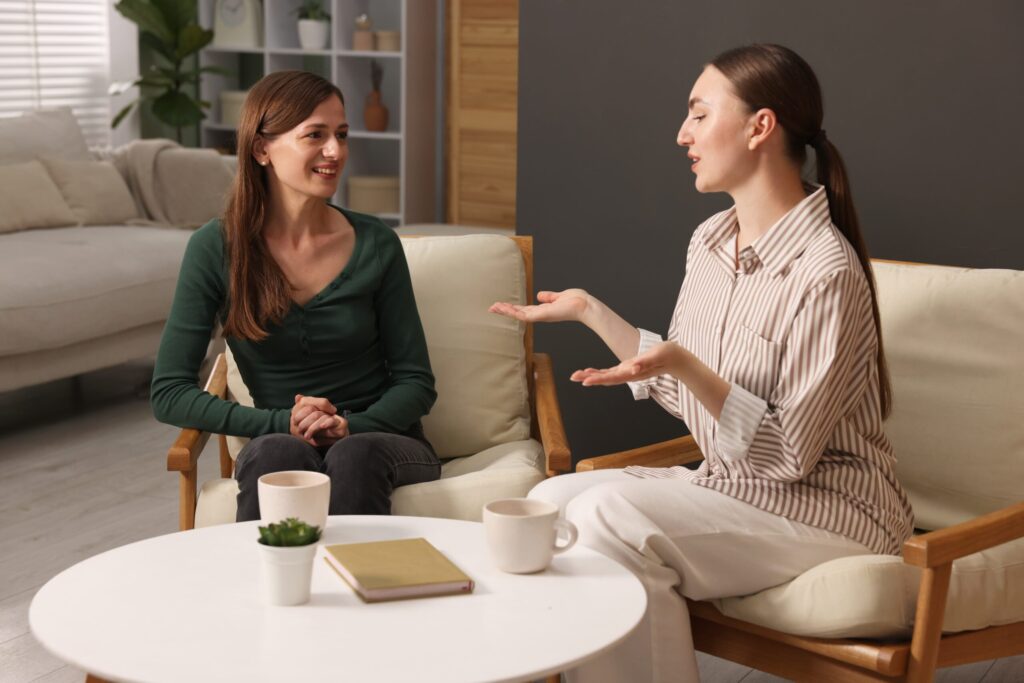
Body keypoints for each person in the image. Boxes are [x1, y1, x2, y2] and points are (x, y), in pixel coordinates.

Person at [490, 44, 914, 682]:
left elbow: (790, 455)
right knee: (546, 501)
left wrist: (686, 367)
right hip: (734, 488)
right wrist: (591, 313)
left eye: (698, 114)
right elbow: (681, 385)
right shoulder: (711, 241)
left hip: (831, 510)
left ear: (760, 126)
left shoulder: (826, 271)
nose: (681, 134)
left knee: (608, 517)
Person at [151, 70, 440, 521]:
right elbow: (169, 392)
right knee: (275, 454)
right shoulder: (215, 248)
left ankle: (360, 568)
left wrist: (350, 425)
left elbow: (416, 382)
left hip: (382, 440)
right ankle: (261, 570)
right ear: (261, 149)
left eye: (341, 134)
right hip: (279, 438)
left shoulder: (376, 242)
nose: (335, 151)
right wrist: (279, 423)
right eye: (315, 135)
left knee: (354, 454)